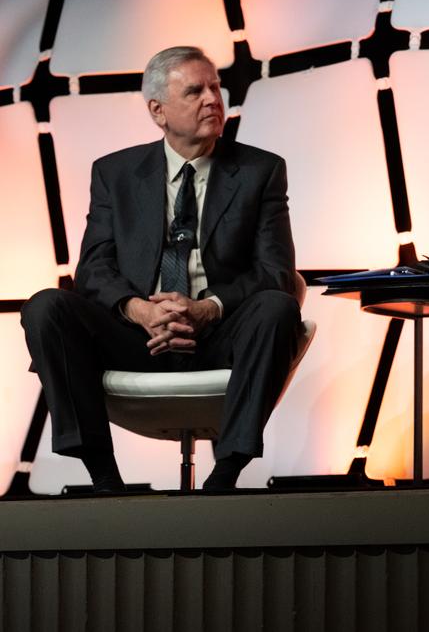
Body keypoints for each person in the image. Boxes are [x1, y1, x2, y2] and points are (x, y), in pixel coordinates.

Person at [21, 46, 301, 492]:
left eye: (214, 87)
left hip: (219, 334)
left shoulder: (260, 171)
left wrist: (206, 309)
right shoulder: (115, 173)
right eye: (194, 91)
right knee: (45, 308)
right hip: (137, 336)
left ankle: (226, 473)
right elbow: (93, 270)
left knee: (277, 307)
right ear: (159, 111)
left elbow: (277, 273)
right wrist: (140, 311)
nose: (212, 98)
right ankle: (103, 477)